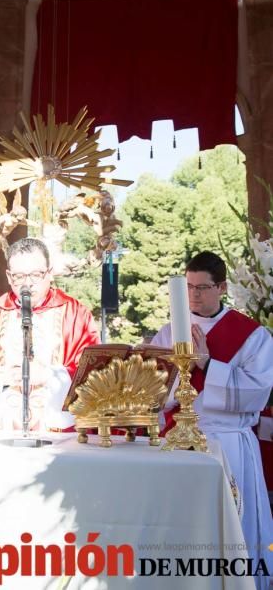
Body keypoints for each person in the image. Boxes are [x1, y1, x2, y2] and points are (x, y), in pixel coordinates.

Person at [151, 251, 273, 588]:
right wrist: (178, 371)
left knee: (233, 522)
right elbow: (155, 391)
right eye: (188, 287)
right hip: (180, 441)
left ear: (222, 287)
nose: (193, 295)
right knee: (184, 522)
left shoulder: (252, 336)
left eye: (202, 288)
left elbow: (257, 391)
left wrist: (207, 363)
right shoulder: (169, 332)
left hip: (230, 442)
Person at [0, 237, 99, 431]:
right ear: (8, 276)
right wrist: (1, 376)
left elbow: (93, 370)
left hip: (60, 432)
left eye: (36, 275)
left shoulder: (75, 315)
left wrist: (50, 375)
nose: (27, 284)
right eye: (19, 276)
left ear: (50, 273)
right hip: (3, 426)